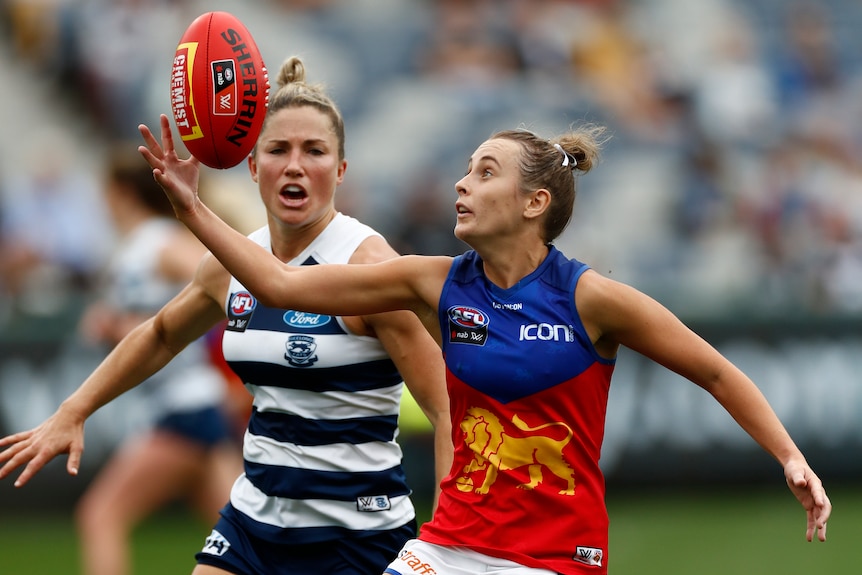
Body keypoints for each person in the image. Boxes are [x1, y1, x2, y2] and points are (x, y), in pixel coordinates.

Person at [131, 114, 829, 575]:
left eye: (486, 172)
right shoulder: (435, 283)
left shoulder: (591, 298)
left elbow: (714, 370)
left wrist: (790, 456)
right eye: (465, 169)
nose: (463, 183)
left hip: (555, 554)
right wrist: (191, 208)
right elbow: (280, 285)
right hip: (451, 543)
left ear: (535, 203)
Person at [0, 56, 452, 575]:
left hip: (355, 535)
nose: (296, 164)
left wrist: (441, 545)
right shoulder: (230, 266)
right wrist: (74, 409)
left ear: (342, 170)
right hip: (254, 523)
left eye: (315, 151)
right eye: (278, 150)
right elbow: (162, 333)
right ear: (254, 166)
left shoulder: (372, 268)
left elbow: (445, 412)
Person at [73, 145, 243, 575]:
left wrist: (121, 324)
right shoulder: (136, 246)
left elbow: (223, 280)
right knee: (241, 540)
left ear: (120, 192)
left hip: (181, 407)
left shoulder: (158, 241)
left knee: (100, 517)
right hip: (191, 407)